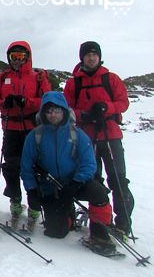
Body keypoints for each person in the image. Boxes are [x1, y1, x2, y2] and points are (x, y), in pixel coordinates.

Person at [20, 91, 116, 252]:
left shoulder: (77, 134)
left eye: (57, 110)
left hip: (75, 184)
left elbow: (89, 164)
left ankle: (100, 234)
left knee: (98, 192)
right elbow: (26, 166)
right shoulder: (35, 136)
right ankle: (68, 216)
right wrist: (31, 190)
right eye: (49, 111)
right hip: (50, 187)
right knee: (55, 232)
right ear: (43, 113)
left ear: (64, 111)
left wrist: (76, 182)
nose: (53, 115)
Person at [63, 41, 133, 238]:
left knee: (118, 180)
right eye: (87, 55)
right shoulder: (73, 83)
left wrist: (106, 107)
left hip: (110, 136)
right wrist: (83, 114)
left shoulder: (111, 79)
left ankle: (123, 223)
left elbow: (123, 102)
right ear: (82, 57)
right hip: (86, 138)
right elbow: (66, 109)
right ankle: (102, 220)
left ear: (99, 56)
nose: (91, 58)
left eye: (94, 54)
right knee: (93, 180)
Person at [0, 41, 51, 227]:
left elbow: (47, 101)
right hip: (10, 129)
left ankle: (34, 205)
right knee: (11, 168)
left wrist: (27, 102)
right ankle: (15, 202)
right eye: (13, 56)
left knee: (34, 168)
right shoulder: (2, 77)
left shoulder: (38, 77)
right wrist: (3, 103)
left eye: (21, 56)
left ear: (28, 57)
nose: (17, 60)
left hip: (33, 130)